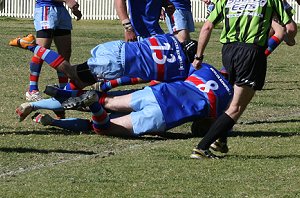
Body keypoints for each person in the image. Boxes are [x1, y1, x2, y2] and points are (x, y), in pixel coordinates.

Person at [16, 63, 233, 144]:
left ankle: (35, 105)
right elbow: (206, 125)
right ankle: (68, 117)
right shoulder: (229, 95)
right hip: (165, 114)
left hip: (156, 93)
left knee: (105, 100)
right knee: (104, 127)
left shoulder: (206, 69)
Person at [190, 0, 292, 159]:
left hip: (228, 52)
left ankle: (221, 140)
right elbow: (289, 28)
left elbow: (207, 26)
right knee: (237, 107)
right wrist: (290, 38)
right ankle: (202, 147)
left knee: (233, 99)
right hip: (251, 52)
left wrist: (198, 57)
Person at [10, 33, 198, 91]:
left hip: (117, 47)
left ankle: (54, 102)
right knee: (72, 72)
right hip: (118, 62)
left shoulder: (168, 38)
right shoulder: (179, 69)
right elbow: (143, 80)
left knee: (81, 82)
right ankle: (32, 46)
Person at [9, 0, 82, 102]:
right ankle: (32, 90)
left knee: (65, 54)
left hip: (61, 9)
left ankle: (64, 89)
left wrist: (74, 8)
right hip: (46, 8)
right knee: (42, 50)